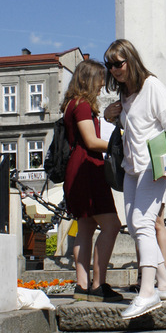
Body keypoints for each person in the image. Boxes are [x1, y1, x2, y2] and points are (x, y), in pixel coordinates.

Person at [103, 39, 166, 319]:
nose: (114, 70)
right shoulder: (126, 94)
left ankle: (147, 292)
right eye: (109, 64)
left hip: (154, 163)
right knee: (136, 228)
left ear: (131, 60)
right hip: (132, 166)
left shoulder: (152, 86)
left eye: (118, 63)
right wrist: (111, 115)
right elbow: (134, 126)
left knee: (143, 222)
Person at [62, 60, 122, 302]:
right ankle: (98, 285)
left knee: (85, 228)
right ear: (89, 79)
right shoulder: (83, 105)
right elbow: (91, 141)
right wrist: (122, 145)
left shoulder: (71, 104)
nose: (102, 86)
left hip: (76, 168)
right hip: (89, 166)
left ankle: (82, 286)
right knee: (112, 225)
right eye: (100, 80)